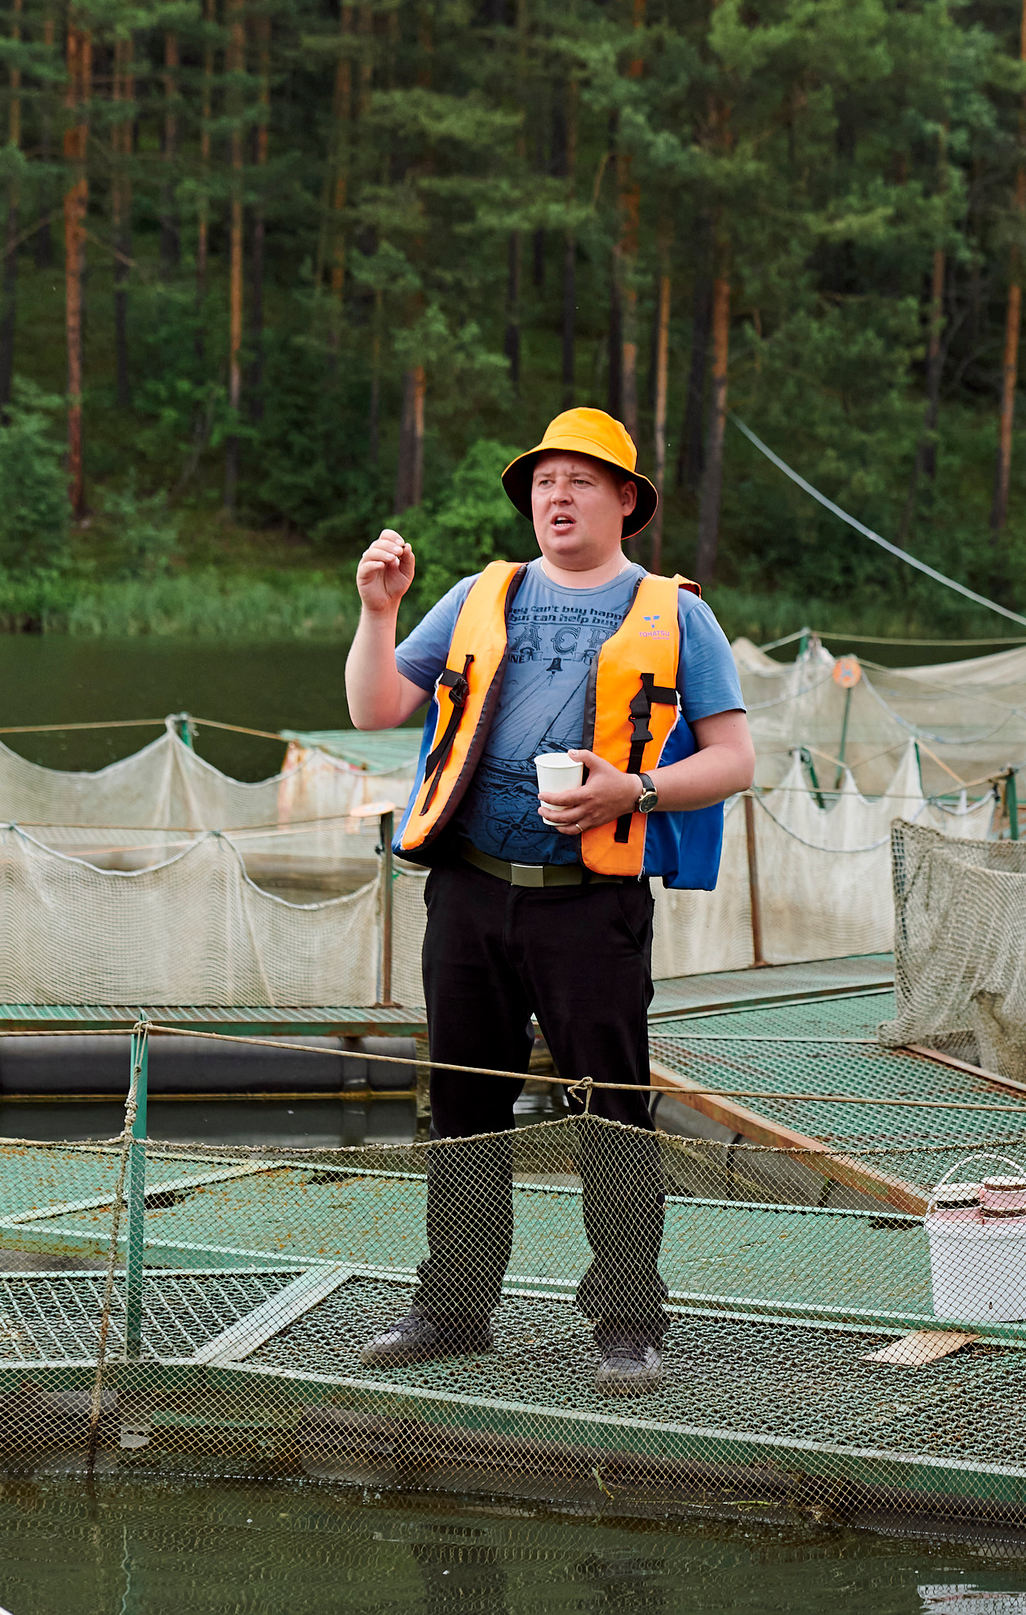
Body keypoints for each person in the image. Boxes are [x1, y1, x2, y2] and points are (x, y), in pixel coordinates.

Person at [341, 407, 756, 1397]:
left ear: (626, 502)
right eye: (542, 481)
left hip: (590, 907)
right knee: (465, 1107)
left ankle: (628, 1323)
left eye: (580, 479)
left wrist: (632, 791)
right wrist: (375, 611)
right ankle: (452, 1309)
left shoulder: (676, 612)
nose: (556, 495)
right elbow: (374, 709)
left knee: (612, 1112)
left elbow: (734, 757)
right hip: (472, 894)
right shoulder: (483, 594)